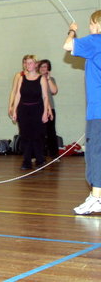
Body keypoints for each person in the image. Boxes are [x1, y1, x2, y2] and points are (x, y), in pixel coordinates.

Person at [64, 13, 101, 214]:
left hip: (98, 111)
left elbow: (68, 46)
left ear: (96, 25)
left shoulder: (96, 40)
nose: (90, 27)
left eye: (91, 24)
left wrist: (72, 30)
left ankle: (96, 198)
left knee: (95, 154)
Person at [12, 56, 49, 170]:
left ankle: (40, 159)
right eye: (27, 63)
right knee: (25, 136)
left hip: (37, 109)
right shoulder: (21, 78)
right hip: (23, 110)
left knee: (37, 136)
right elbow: (18, 95)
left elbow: (45, 96)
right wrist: (14, 110)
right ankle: (26, 161)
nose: (28, 65)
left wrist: (45, 113)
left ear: (35, 64)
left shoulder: (41, 78)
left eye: (31, 63)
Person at [38, 59, 59, 159]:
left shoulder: (51, 79)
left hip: (51, 109)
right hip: (38, 109)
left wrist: (48, 78)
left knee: (51, 132)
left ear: (48, 69)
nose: (43, 68)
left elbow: (54, 91)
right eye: (41, 66)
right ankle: (38, 155)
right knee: (39, 133)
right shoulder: (36, 79)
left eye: (45, 66)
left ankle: (54, 155)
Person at [8, 55, 29, 119]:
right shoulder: (19, 75)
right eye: (24, 62)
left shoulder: (37, 75)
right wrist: (11, 105)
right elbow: (14, 91)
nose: (26, 64)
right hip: (21, 103)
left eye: (27, 62)